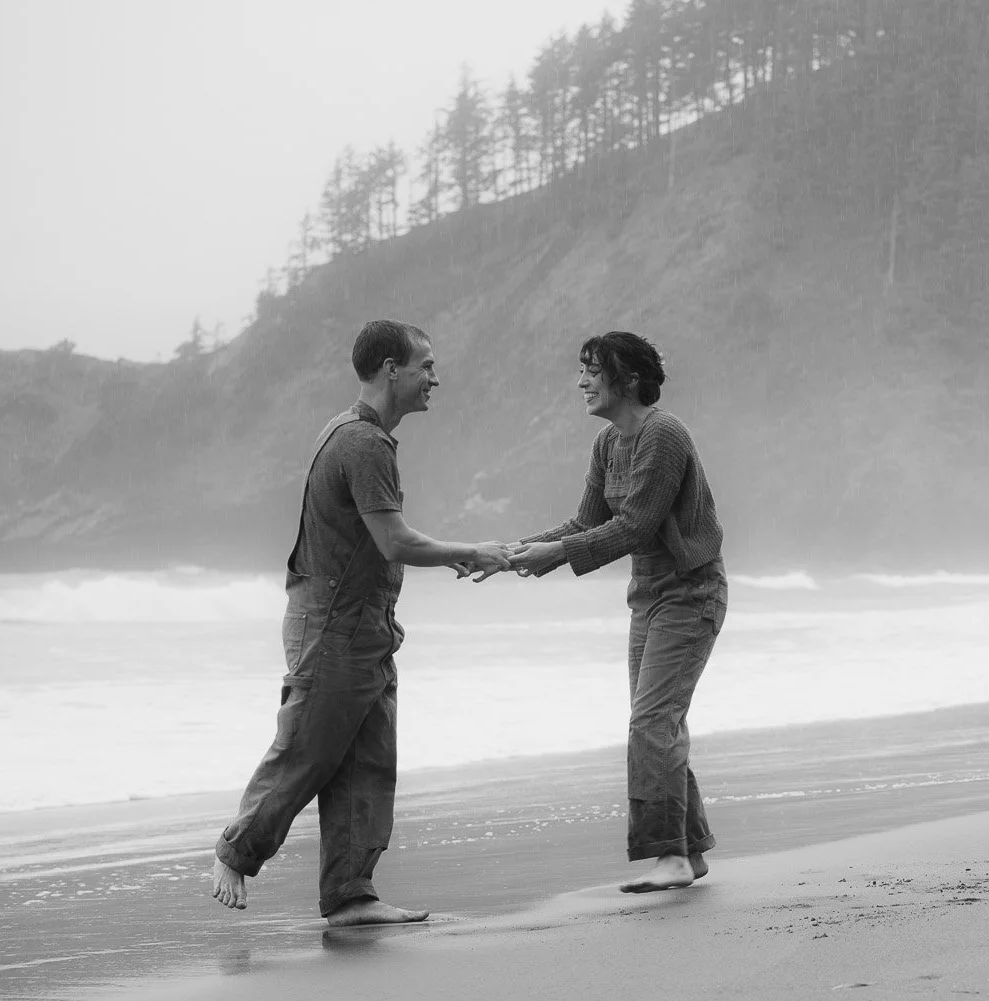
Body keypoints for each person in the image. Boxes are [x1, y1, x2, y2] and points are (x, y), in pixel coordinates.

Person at [209, 320, 512, 925]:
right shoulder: (361, 443)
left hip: (363, 622)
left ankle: (351, 895)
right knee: (309, 749)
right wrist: (470, 552)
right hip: (334, 624)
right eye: (425, 365)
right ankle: (235, 852)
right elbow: (394, 541)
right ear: (389, 369)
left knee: (367, 760)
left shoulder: (359, 435)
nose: (435, 377)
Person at [505, 332, 727, 893]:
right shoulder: (608, 443)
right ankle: (690, 850)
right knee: (658, 722)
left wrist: (556, 555)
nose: (581, 382)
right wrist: (512, 552)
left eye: (591, 371)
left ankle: (668, 855)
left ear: (627, 379)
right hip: (648, 597)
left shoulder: (664, 434)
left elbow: (636, 525)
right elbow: (584, 524)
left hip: (691, 594)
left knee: (651, 721)